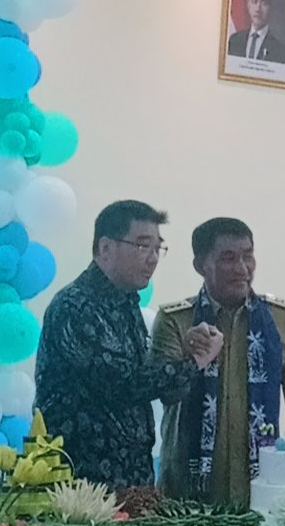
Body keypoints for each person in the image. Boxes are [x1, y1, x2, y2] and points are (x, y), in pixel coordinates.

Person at [35, 200, 201, 489]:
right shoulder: (75, 307)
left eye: (158, 248)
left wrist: (183, 353)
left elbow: (148, 380)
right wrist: (196, 360)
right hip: (83, 483)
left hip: (132, 476)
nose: (153, 258)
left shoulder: (126, 304)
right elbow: (123, 384)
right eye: (142, 246)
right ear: (105, 247)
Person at [154, 217, 285, 508]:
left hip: (262, 486)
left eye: (248, 256)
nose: (242, 268)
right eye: (228, 258)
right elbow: (164, 391)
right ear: (200, 265)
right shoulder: (175, 321)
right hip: (188, 486)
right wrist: (191, 358)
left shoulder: (280, 319)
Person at [227, 0, 285, 64]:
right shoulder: (234, 41)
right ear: (248, 4)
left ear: (270, 7)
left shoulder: (281, 51)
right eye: (254, 1)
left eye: (264, 3)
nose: (258, 9)